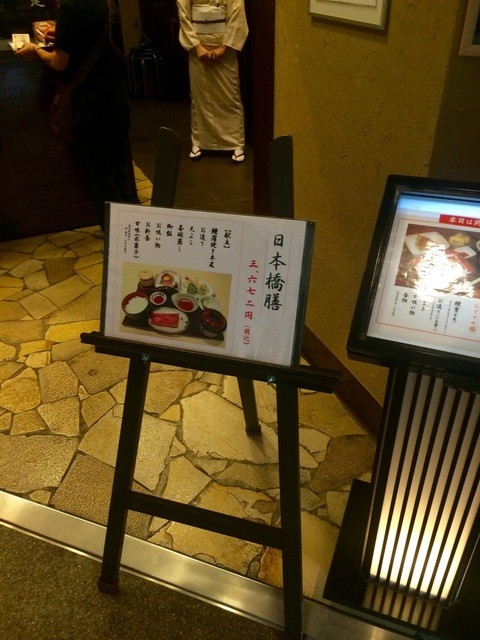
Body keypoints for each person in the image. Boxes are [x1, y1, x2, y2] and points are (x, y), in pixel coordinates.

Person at [15, 0, 134, 231]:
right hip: (116, 96)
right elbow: (90, 37)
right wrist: (62, 38)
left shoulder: (70, 7)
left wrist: (35, 50)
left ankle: (115, 237)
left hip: (91, 104)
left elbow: (59, 62)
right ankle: (130, 233)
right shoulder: (106, 2)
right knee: (117, 170)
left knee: (101, 177)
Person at [176, 0, 249, 163]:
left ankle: (235, 143)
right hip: (197, 51)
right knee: (199, 97)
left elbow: (237, 15)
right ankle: (199, 141)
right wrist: (197, 47)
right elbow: (184, 15)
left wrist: (223, 48)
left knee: (230, 97)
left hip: (225, 51)